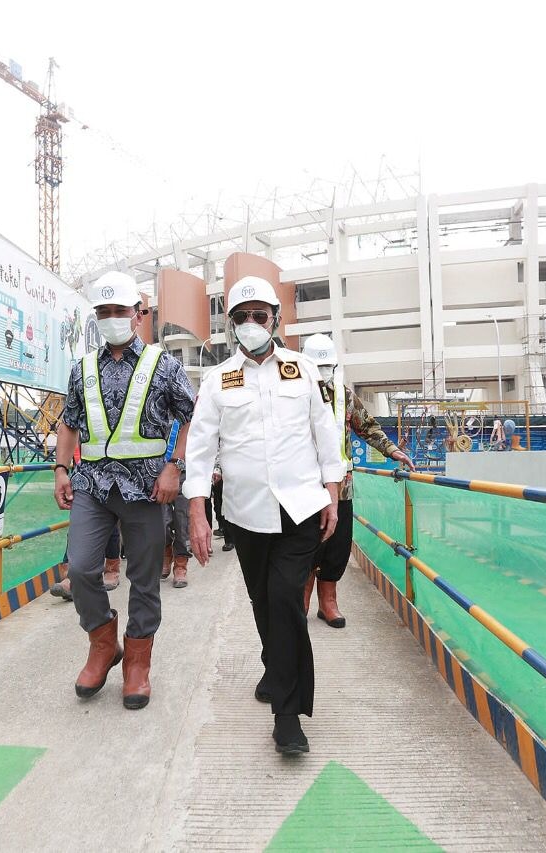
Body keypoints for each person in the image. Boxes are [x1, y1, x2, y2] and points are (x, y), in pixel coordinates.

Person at [185, 275, 345, 756]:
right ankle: (276, 666)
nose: (252, 324)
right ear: (231, 326)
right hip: (245, 513)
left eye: (260, 315)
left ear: (276, 317)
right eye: (242, 317)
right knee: (263, 602)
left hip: (300, 508)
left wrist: (332, 493)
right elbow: (200, 448)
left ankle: (288, 716)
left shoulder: (302, 370)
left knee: (284, 598)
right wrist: (197, 511)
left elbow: (324, 432)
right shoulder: (218, 380)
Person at [53, 271, 194, 710]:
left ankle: (137, 663)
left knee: (145, 579)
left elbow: (191, 414)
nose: (112, 318)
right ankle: (102, 644)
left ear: (137, 314)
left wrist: (175, 467)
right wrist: (60, 468)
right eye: (104, 312)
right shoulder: (83, 369)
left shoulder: (163, 364)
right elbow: (69, 421)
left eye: (119, 311)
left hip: (149, 488)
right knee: (79, 568)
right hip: (93, 484)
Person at [301, 334, 415, 629]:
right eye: (319, 367)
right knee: (304, 546)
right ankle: (299, 602)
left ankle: (328, 603)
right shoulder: (293, 395)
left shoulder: (344, 396)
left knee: (337, 546)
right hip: (303, 487)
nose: (324, 373)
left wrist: (392, 450)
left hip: (341, 487)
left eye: (328, 367)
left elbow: (368, 427)